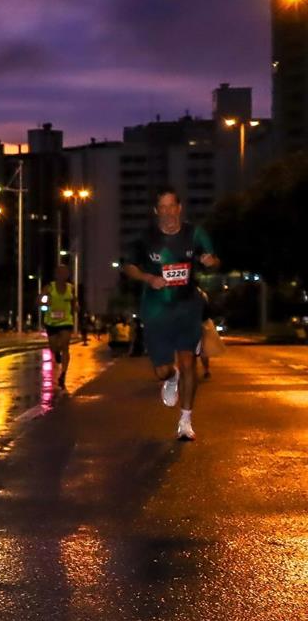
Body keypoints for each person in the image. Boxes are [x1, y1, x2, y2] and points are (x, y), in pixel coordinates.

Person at [123, 186, 219, 441]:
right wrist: (147, 277)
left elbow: (213, 258)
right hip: (156, 310)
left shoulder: (195, 233)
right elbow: (128, 266)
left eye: (171, 207)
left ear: (179, 208)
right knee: (162, 371)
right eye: (162, 208)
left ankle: (185, 421)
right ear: (156, 211)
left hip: (188, 307)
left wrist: (211, 261)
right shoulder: (146, 238)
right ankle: (172, 377)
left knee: (189, 362)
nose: (167, 212)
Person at [41, 264, 76, 389]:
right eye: (59, 273)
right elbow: (40, 299)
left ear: (67, 275)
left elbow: (74, 301)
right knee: (53, 347)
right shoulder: (50, 287)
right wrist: (45, 301)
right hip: (51, 322)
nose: (62, 275)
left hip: (66, 321)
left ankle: (63, 374)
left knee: (65, 345)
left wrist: (76, 306)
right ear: (56, 275)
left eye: (65, 273)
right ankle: (56, 353)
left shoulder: (71, 288)